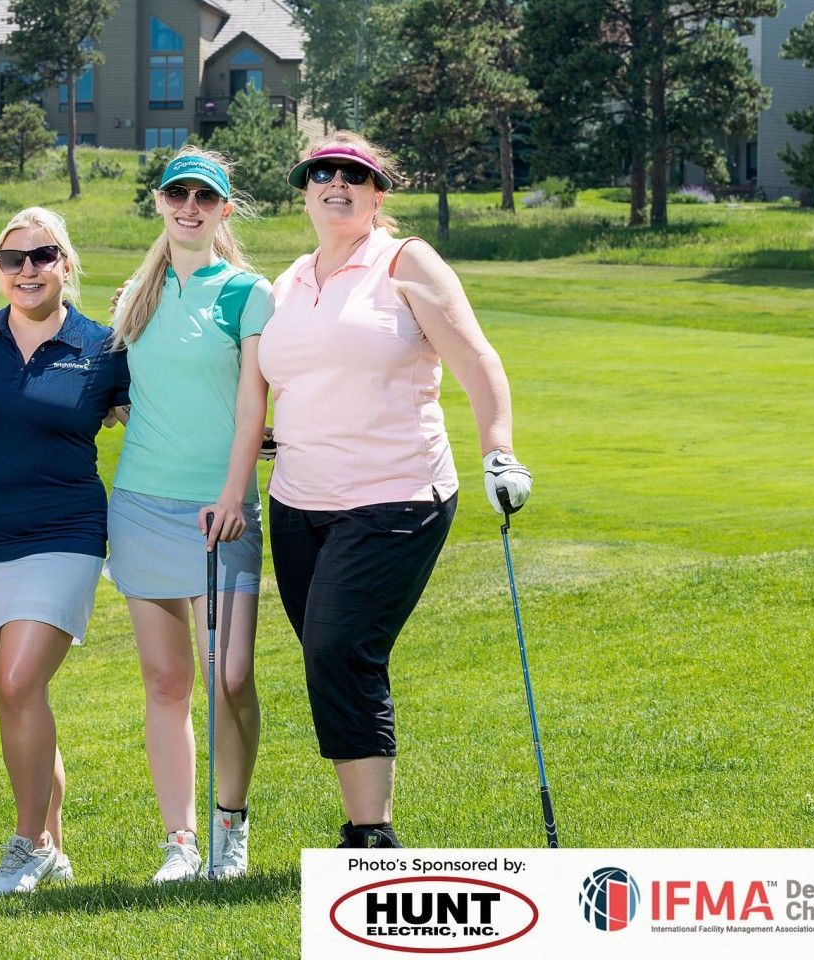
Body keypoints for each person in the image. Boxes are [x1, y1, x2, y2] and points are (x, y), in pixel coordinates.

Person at [257, 132, 534, 848]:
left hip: (395, 495)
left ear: (378, 193)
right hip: (297, 503)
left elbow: (474, 357)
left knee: (340, 648)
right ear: (304, 190)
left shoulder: (403, 261)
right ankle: (362, 822)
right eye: (321, 173)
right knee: (330, 655)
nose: (336, 184)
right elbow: (292, 381)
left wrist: (498, 452)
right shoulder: (290, 280)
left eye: (354, 175)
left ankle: (370, 833)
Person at [0, 208, 130, 895]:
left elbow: (157, 413)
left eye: (42, 256)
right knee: (16, 703)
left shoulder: (104, 346)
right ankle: (51, 846)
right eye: (12, 259)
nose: (27, 270)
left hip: (65, 535)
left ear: (66, 265)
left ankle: (24, 845)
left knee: (22, 685)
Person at [108, 148, 272, 881]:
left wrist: (234, 495)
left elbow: (251, 405)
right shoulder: (133, 298)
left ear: (224, 210)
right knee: (165, 682)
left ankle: (230, 827)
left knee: (230, 676)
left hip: (221, 509)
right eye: (178, 194)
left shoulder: (245, 293)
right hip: (141, 503)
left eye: (204, 197)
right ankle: (180, 843)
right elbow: (119, 387)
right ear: (159, 202)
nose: (189, 207)